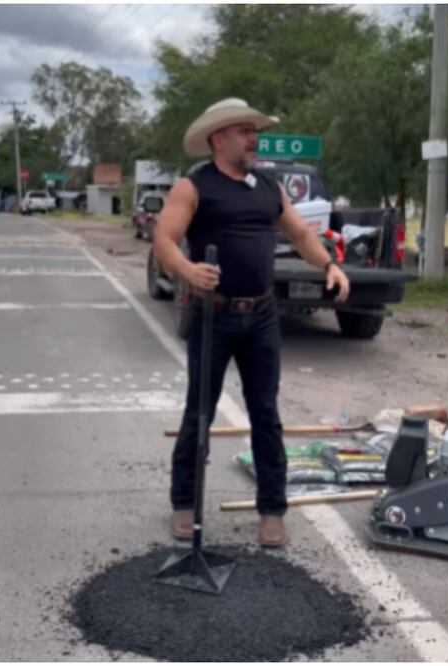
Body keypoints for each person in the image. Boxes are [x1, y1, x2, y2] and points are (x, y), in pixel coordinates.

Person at [154, 98, 350, 547]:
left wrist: (329, 266)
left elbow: (299, 233)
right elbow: (163, 239)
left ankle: (272, 511)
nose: (253, 139)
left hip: (261, 315)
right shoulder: (193, 186)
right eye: (244, 131)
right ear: (217, 139)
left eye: (254, 131)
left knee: (266, 413)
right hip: (213, 315)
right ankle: (184, 503)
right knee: (199, 412)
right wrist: (186, 270)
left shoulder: (267, 187)